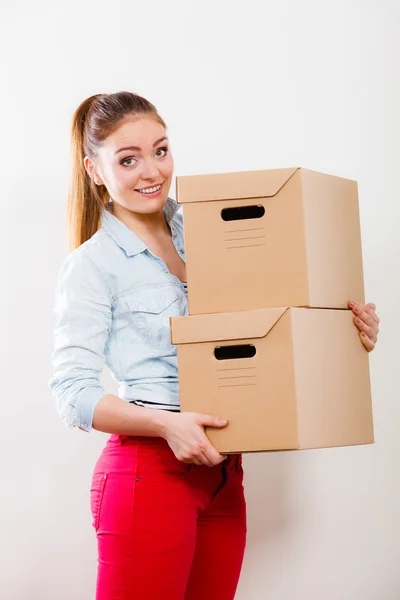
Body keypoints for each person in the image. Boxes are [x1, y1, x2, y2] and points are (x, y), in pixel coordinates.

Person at [48, 91, 380, 600]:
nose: (151, 170)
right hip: (149, 473)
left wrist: (341, 329)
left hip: (225, 475)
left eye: (160, 150)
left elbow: (272, 317)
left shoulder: (212, 226)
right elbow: (72, 394)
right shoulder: (93, 266)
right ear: (95, 170)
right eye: (128, 159)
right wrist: (166, 424)